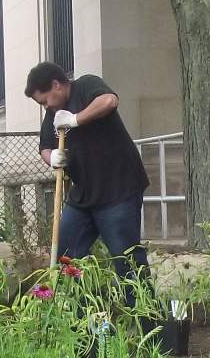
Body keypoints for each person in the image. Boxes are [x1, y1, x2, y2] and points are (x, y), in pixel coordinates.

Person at [26, 62, 151, 281]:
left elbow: (109, 101)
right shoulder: (54, 114)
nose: (45, 106)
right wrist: (52, 159)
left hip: (118, 190)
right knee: (66, 251)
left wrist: (75, 119)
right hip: (83, 194)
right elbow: (45, 147)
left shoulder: (85, 86)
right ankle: (84, 308)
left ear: (56, 85)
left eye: (44, 100)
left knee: (126, 258)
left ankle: (143, 313)